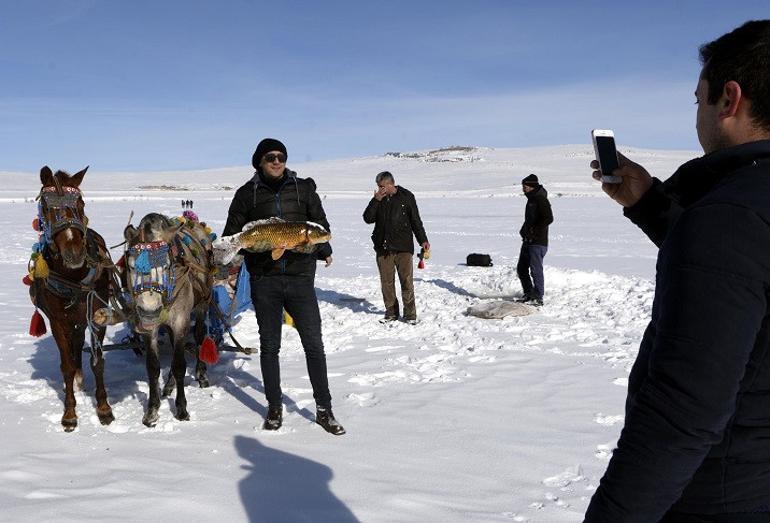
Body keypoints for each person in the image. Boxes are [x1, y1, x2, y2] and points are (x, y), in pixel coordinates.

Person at [584, 20, 770, 521]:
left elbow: (683, 415)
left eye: (698, 99)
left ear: (729, 100)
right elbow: (746, 271)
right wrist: (648, 203)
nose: (696, 115)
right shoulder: (744, 212)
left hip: (723, 494)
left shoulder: (731, 216)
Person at [222, 138, 344, 435]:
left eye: (281, 156)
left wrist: (323, 250)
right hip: (265, 279)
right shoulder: (245, 195)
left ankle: (324, 409)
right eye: (270, 157)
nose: (277, 161)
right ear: (259, 162)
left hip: (301, 279)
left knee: (314, 344)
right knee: (270, 346)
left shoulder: (303, 189)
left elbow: (320, 226)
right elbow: (231, 236)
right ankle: (274, 407)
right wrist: (254, 245)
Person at [363, 171, 429, 324]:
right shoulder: (379, 199)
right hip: (383, 248)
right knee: (387, 283)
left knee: (406, 282)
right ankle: (391, 312)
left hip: (403, 247)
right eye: (378, 187)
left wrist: (423, 240)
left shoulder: (406, 197)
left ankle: (410, 314)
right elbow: (367, 218)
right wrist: (375, 201)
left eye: (382, 186)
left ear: (390, 184)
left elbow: (415, 221)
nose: (380, 189)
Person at [516, 174, 553, 306]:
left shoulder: (540, 199)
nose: (523, 189)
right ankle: (529, 293)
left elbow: (548, 218)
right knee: (521, 268)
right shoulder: (531, 200)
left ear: (531, 186)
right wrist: (524, 230)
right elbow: (530, 220)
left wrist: (534, 231)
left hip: (537, 242)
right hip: (528, 241)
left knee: (535, 269)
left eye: (524, 186)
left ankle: (537, 296)